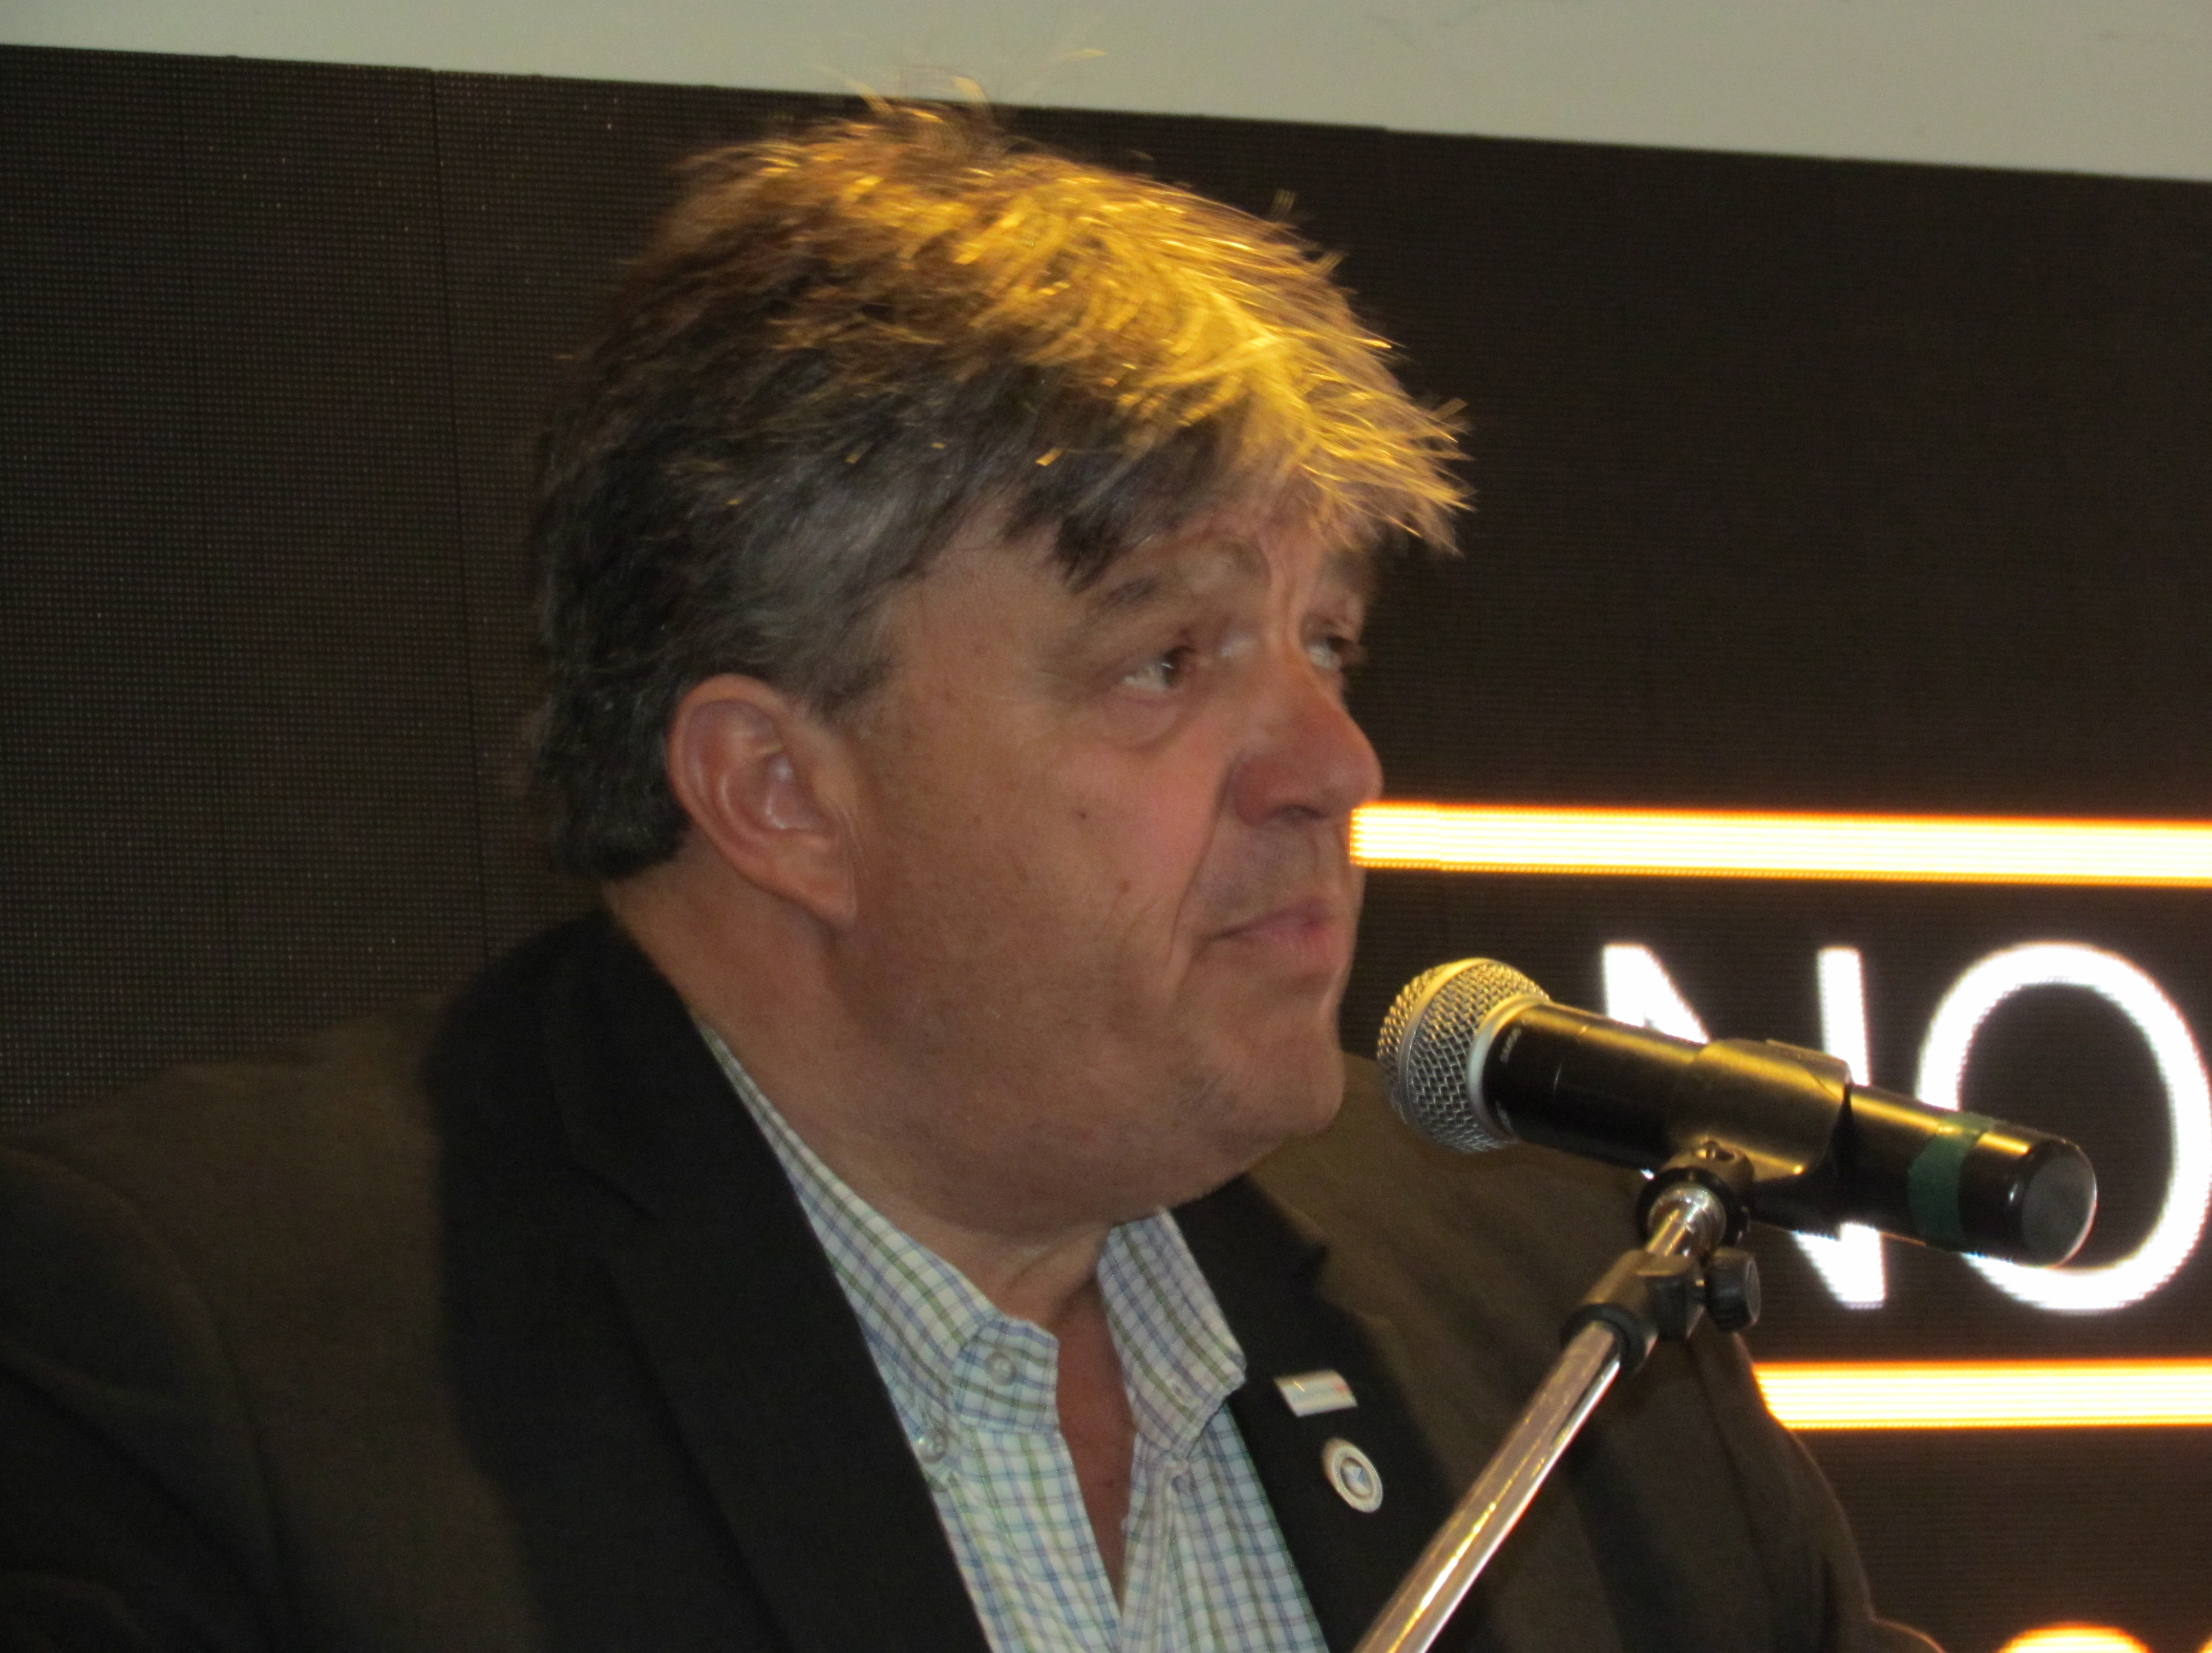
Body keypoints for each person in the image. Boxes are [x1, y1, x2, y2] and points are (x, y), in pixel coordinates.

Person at [0, 109, 1934, 1651]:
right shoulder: (199, 1357)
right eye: (1167, 661)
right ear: (782, 792)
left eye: (1328, 645)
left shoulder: (1563, 1316)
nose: (1334, 768)